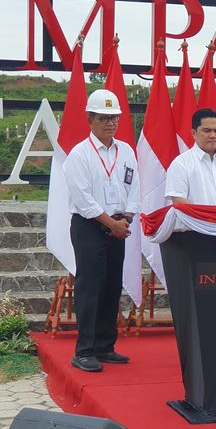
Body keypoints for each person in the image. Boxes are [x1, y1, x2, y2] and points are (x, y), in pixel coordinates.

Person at [64, 89, 140, 373]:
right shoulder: (79, 154)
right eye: (104, 118)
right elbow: (84, 199)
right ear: (90, 119)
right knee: (90, 286)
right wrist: (111, 223)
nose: (110, 123)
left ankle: (105, 346)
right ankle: (84, 350)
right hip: (90, 227)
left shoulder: (126, 151)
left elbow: (135, 187)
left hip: (120, 226)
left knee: (111, 286)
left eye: (114, 118)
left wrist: (126, 219)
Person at [165, 108, 216, 205]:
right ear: (194, 133)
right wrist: (208, 218)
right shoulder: (181, 164)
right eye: (207, 131)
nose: (213, 135)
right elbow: (179, 202)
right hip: (194, 220)